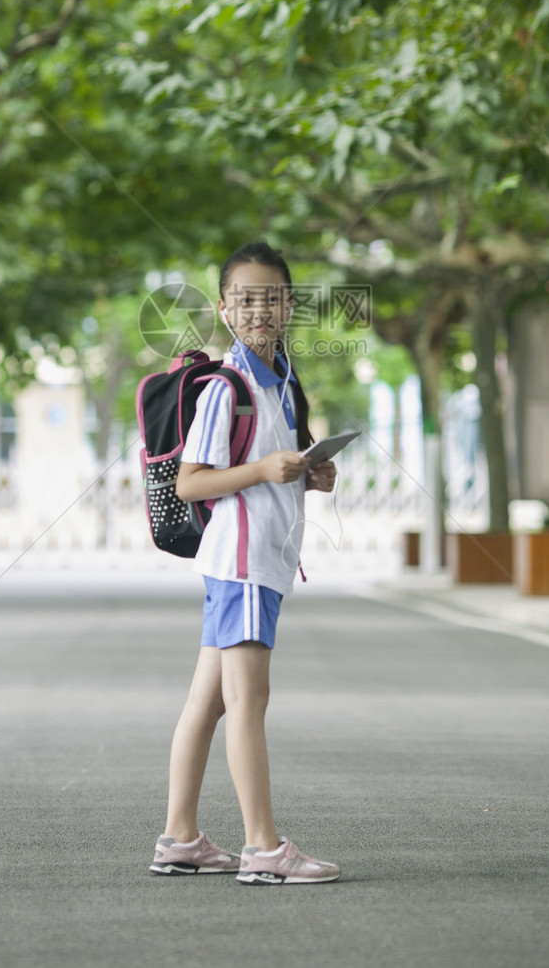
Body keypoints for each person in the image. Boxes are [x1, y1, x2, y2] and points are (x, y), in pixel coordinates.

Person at [149, 242, 341, 885]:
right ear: (226, 309)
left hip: (255, 561)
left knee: (209, 704)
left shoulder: (280, 380)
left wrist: (305, 477)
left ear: (290, 306)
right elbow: (191, 482)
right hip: (243, 562)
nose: (261, 309)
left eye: (273, 298)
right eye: (247, 299)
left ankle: (180, 838)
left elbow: (263, 470)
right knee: (249, 700)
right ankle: (263, 848)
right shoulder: (226, 385)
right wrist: (263, 470)